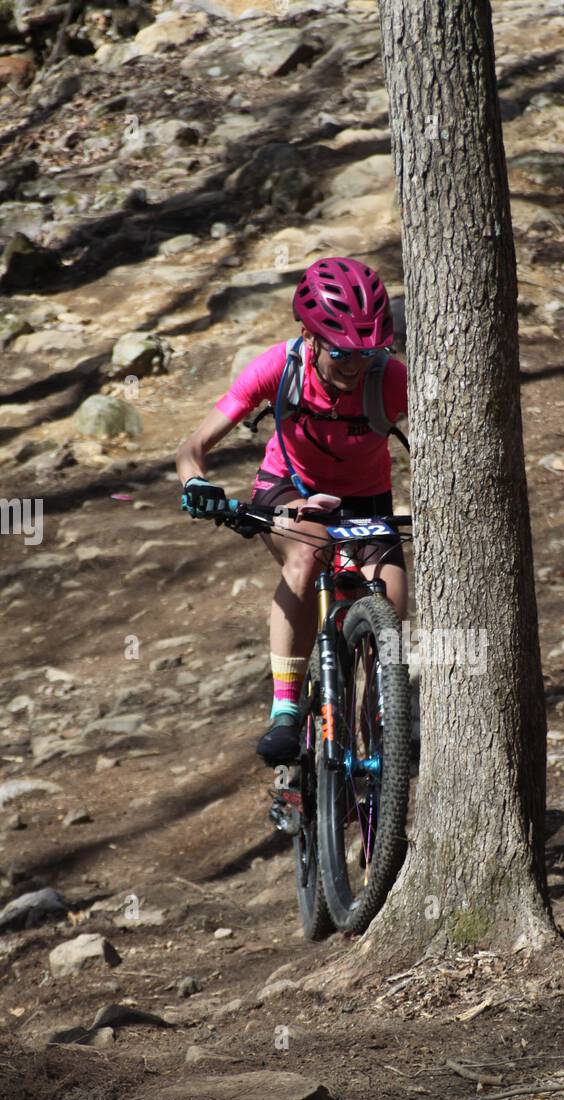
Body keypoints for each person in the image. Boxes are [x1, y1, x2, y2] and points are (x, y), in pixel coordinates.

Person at [175, 257, 409, 768]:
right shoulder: (276, 369)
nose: (356, 366)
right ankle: (285, 708)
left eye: (370, 353)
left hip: (366, 501)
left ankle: (383, 720)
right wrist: (195, 482)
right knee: (308, 556)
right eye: (344, 353)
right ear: (310, 335)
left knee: (392, 599)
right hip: (288, 490)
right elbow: (192, 446)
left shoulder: (390, 379)